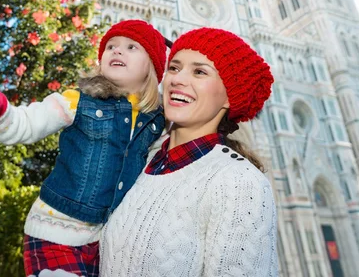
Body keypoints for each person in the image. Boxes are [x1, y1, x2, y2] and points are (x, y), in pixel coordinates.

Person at [0, 19, 167, 277]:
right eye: (111, 46)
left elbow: (157, 170)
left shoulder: (156, 122)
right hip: (54, 232)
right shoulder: (77, 101)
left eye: (131, 47)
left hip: (107, 243)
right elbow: (28, 123)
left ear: (153, 67)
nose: (117, 50)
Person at [100, 27, 278, 276]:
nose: (177, 79)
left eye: (199, 71)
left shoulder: (239, 183)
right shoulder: (143, 161)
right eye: (174, 67)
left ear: (230, 96)